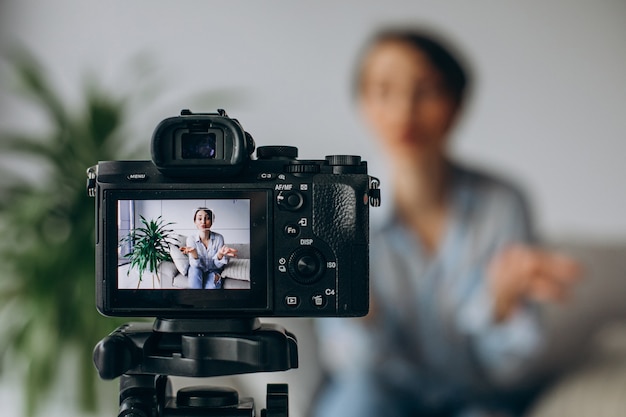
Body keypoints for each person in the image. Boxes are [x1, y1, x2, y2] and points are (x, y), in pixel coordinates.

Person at [313, 27, 580, 417]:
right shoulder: (334, 210)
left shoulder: (503, 203)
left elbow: (506, 371)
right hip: (376, 393)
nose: (405, 111)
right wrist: (359, 308)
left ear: (457, 104)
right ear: (363, 104)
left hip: (475, 397)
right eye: (384, 90)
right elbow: (349, 363)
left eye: (427, 90)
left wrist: (503, 306)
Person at [181, 207, 238, 289]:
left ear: (212, 221)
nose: (203, 222)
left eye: (207, 218)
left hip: (213, 270)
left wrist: (220, 254)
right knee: (194, 284)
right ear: (195, 221)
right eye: (199, 218)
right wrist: (194, 254)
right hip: (197, 270)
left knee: (212, 289)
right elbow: (194, 265)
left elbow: (218, 266)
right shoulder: (191, 239)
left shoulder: (219, 238)